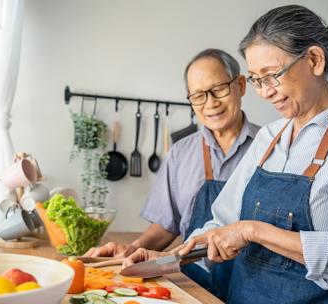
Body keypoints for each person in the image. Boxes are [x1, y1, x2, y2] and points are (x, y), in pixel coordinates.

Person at [124, 5, 328, 303]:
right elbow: (221, 224)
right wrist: (166, 257)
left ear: (314, 60)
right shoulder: (268, 138)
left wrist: (253, 230)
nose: (265, 92)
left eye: (272, 75)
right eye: (257, 80)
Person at [84, 49, 260, 291]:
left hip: (252, 284)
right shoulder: (180, 153)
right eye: (198, 96)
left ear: (240, 85)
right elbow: (168, 224)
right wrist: (133, 249)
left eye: (218, 89)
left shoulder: (271, 148)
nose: (211, 103)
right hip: (191, 281)